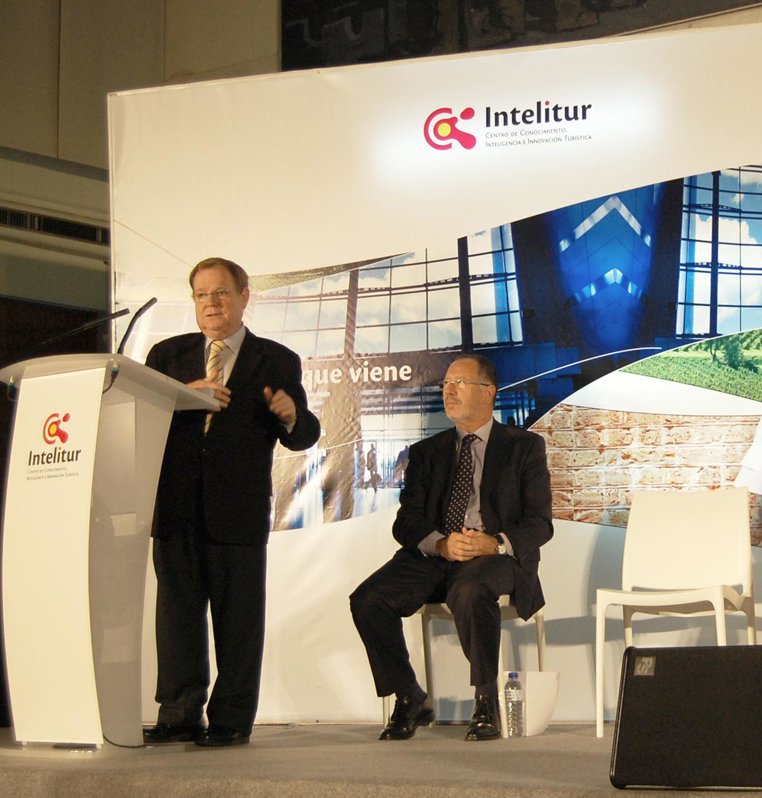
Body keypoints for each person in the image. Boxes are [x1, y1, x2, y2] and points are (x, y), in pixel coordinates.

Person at [142, 257, 320, 747]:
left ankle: (232, 719)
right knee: (176, 618)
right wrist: (182, 395)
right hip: (175, 506)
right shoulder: (167, 355)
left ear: (244, 297)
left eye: (221, 292)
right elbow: (138, 415)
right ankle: (179, 713)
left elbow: (304, 434)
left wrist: (290, 414)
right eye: (201, 294)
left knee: (238, 620)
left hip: (237, 509)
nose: (211, 303)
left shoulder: (275, 359)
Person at [350, 354, 553, 742]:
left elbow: (540, 523)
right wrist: (441, 544)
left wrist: (494, 543)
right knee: (368, 599)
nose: (449, 391)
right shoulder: (427, 452)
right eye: (446, 384)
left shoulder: (524, 447)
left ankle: (486, 700)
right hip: (437, 557)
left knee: (470, 589)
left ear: (488, 392)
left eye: (459, 383)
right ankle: (409, 696)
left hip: (495, 557)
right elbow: (406, 522)